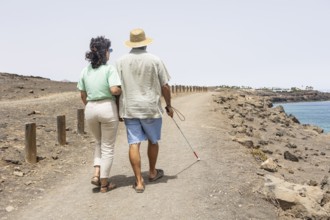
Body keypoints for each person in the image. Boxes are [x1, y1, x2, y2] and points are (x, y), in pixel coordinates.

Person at [116, 28, 174, 193]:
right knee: (153, 140)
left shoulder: (120, 62)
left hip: (130, 108)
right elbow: (165, 86)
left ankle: (139, 181)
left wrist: (118, 109)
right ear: (145, 42)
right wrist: (169, 106)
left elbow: (116, 88)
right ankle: (152, 172)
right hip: (150, 108)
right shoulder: (155, 60)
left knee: (133, 143)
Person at [77, 36, 122, 193]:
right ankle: (104, 184)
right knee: (108, 146)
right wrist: (121, 90)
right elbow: (114, 90)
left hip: (90, 108)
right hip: (107, 108)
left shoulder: (85, 71)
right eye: (109, 50)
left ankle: (96, 174)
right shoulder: (109, 69)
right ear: (104, 52)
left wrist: (90, 106)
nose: (110, 53)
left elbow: (82, 95)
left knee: (98, 142)